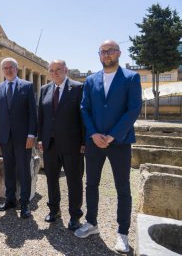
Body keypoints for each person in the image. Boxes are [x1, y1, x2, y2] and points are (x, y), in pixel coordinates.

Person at [74, 40, 142, 254]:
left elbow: (133, 110)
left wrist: (112, 136)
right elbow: (84, 108)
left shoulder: (131, 78)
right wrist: (93, 134)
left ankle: (122, 233)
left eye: (110, 51)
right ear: (99, 55)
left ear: (119, 53)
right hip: (94, 142)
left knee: (123, 188)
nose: (107, 54)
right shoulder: (91, 79)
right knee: (91, 184)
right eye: (103, 51)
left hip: (120, 142)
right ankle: (92, 223)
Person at [37, 60, 84, 231]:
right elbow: (41, 116)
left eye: (58, 69)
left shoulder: (78, 88)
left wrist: (84, 141)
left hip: (72, 144)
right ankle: (54, 210)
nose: (55, 72)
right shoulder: (44, 90)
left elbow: (83, 116)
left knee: (74, 181)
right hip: (50, 144)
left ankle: (75, 216)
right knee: (51, 179)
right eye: (51, 70)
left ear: (66, 70)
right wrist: (40, 138)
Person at [0, 57, 37, 219]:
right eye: (5, 68)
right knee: (8, 169)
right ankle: (9, 199)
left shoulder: (27, 86)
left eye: (11, 67)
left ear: (16, 69)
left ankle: (25, 204)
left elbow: (33, 113)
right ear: (2, 71)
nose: (8, 70)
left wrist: (32, 134)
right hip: (4, 137)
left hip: (23, 138)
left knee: (24, 170)